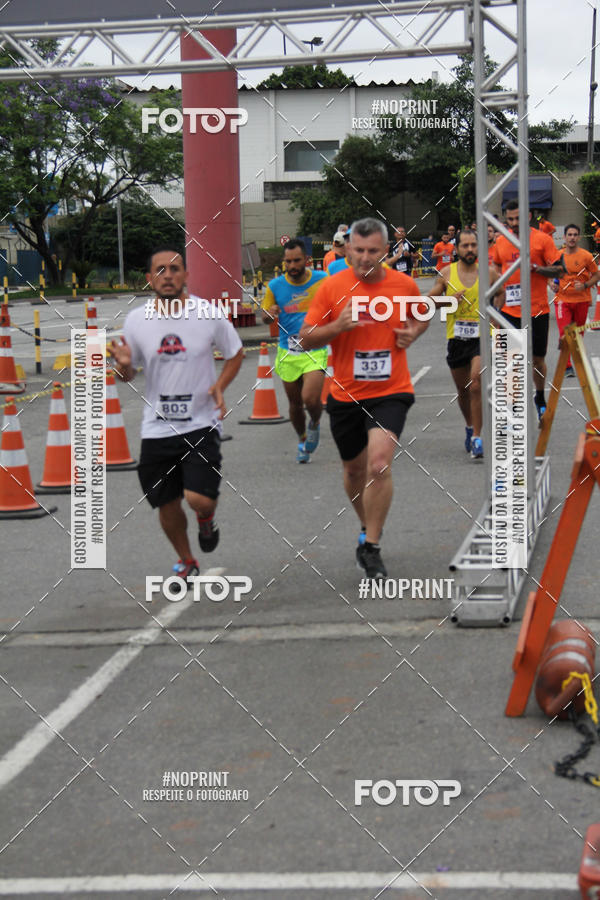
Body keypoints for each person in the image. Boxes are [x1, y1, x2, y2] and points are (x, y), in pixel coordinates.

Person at [298, 217, 429, 580]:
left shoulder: (403, 285)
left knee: (378, 464)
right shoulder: (331, 288)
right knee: (354, 470)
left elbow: (423, 317)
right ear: (346, 249)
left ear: (385, 252)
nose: (365, 258)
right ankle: (369, 525)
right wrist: (336, 327)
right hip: (345, 394)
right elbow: (306, 338)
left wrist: (412, 334)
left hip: (391, 391)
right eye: (359, 250)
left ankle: (371, 547)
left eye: (373, 251)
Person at [108, 247, 244, 588]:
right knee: (165, 504)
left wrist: (219, 386)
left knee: (198, 498)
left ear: (185, 275)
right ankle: (186, 560)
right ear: (149, 278)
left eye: (175, 269)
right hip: (156, 427)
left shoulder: (207, 313)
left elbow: (236, 352)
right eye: (160, 270)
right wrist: (123, 365)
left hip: (200, 422)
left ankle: (205, 517)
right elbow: (128, 373)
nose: (168, 275)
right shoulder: (137, 320)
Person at [492, 200, 565, 419]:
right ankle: (512, 406)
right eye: (510, 219)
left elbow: (560, 271)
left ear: (529, 216)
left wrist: (537, 269)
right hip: (509, 310)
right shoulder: (501, 241)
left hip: (537, 311)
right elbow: (496, 267)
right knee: (509, 361)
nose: (514, 223)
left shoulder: (542, 239)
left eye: (518, 218)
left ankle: (539, 396)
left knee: (537, 359)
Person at [430, 229, 498, 459]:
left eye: (473, 245)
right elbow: (428, 302)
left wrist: (497, 320)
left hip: (481, 337)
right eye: (465, 246)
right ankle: (470, 427)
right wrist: (448, 300)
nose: (470, 250)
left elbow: (502, 294)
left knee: (476, 383)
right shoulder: (447, 273)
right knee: (463, 390)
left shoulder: (489, 273)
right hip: (456, 338)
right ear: (457, 249)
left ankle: (478, 437)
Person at [261, 239, 328, 462]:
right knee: (295, 404)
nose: (292, 265)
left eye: (297, 260)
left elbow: (338, 303)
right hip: (287, 351)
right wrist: (269, 313)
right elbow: (264, 315)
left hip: (315, 348)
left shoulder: (322, 280)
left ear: (307, 260)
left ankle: (315, 423)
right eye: (288, 261)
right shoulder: (275, 286)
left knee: (310, 398)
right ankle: (301, 439)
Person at [550, 224, 600, 376]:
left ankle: (576, 362)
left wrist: (585, 284)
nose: (572, 237)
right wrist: (551, 284)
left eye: (575, 235)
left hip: (581, 301)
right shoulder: (557, 256)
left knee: (577, 336)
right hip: (562, 301)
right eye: (569, 235)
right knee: (565, 334)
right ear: (564, 237)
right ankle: (567, 366)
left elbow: (597, 275)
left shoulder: (586, 256)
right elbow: (547, 273)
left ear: (578, 237)